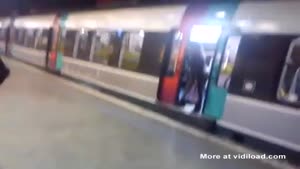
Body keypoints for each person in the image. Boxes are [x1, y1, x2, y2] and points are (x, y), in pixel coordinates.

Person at [182, 42, 207, 113]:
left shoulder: (195, 56)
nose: (190, 48)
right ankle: (197, 107)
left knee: (190, 89)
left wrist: (194, 78)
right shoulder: (201, 56)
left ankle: (184, 101)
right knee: (199, 92)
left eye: (192, 47)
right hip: (200, 76)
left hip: (195, 76)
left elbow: (194, 68)